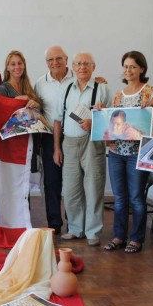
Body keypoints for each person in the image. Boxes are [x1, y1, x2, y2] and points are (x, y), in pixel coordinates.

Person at [103, 51, 153, 254]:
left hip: (138, 153)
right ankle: (119, 236)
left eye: (133, 67)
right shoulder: (118, 95)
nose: (128, 70)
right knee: (119, 197)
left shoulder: (150, 92)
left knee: (136, 197)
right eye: (126, 66)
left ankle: (136, 238)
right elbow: (112, 123)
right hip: (116, 151)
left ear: (142, 69)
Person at [53, 52, 112, 247]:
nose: (82, 67)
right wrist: (56, 148)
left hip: (92, 143)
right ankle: (75, 229)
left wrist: (93, 121)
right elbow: (58, 120)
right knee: (70, 189)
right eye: (78, 64)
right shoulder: (66, 88)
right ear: (73, 66)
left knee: (94, 187)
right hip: (68, 142)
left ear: (93, 67)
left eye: (86, 64)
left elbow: (111, 120)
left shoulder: (102, 88)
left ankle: (93, 231)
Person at [33, 46, 74, 234]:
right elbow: (38, 111)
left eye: (58, 58)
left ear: (66, 59)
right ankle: (54, 223)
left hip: (75, 135)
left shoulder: (78, 79)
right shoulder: (40, 84)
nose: (55, 62)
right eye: (50, 60)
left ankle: (73, 223)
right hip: (50, 137)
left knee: (74, 181)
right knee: (51, 181)